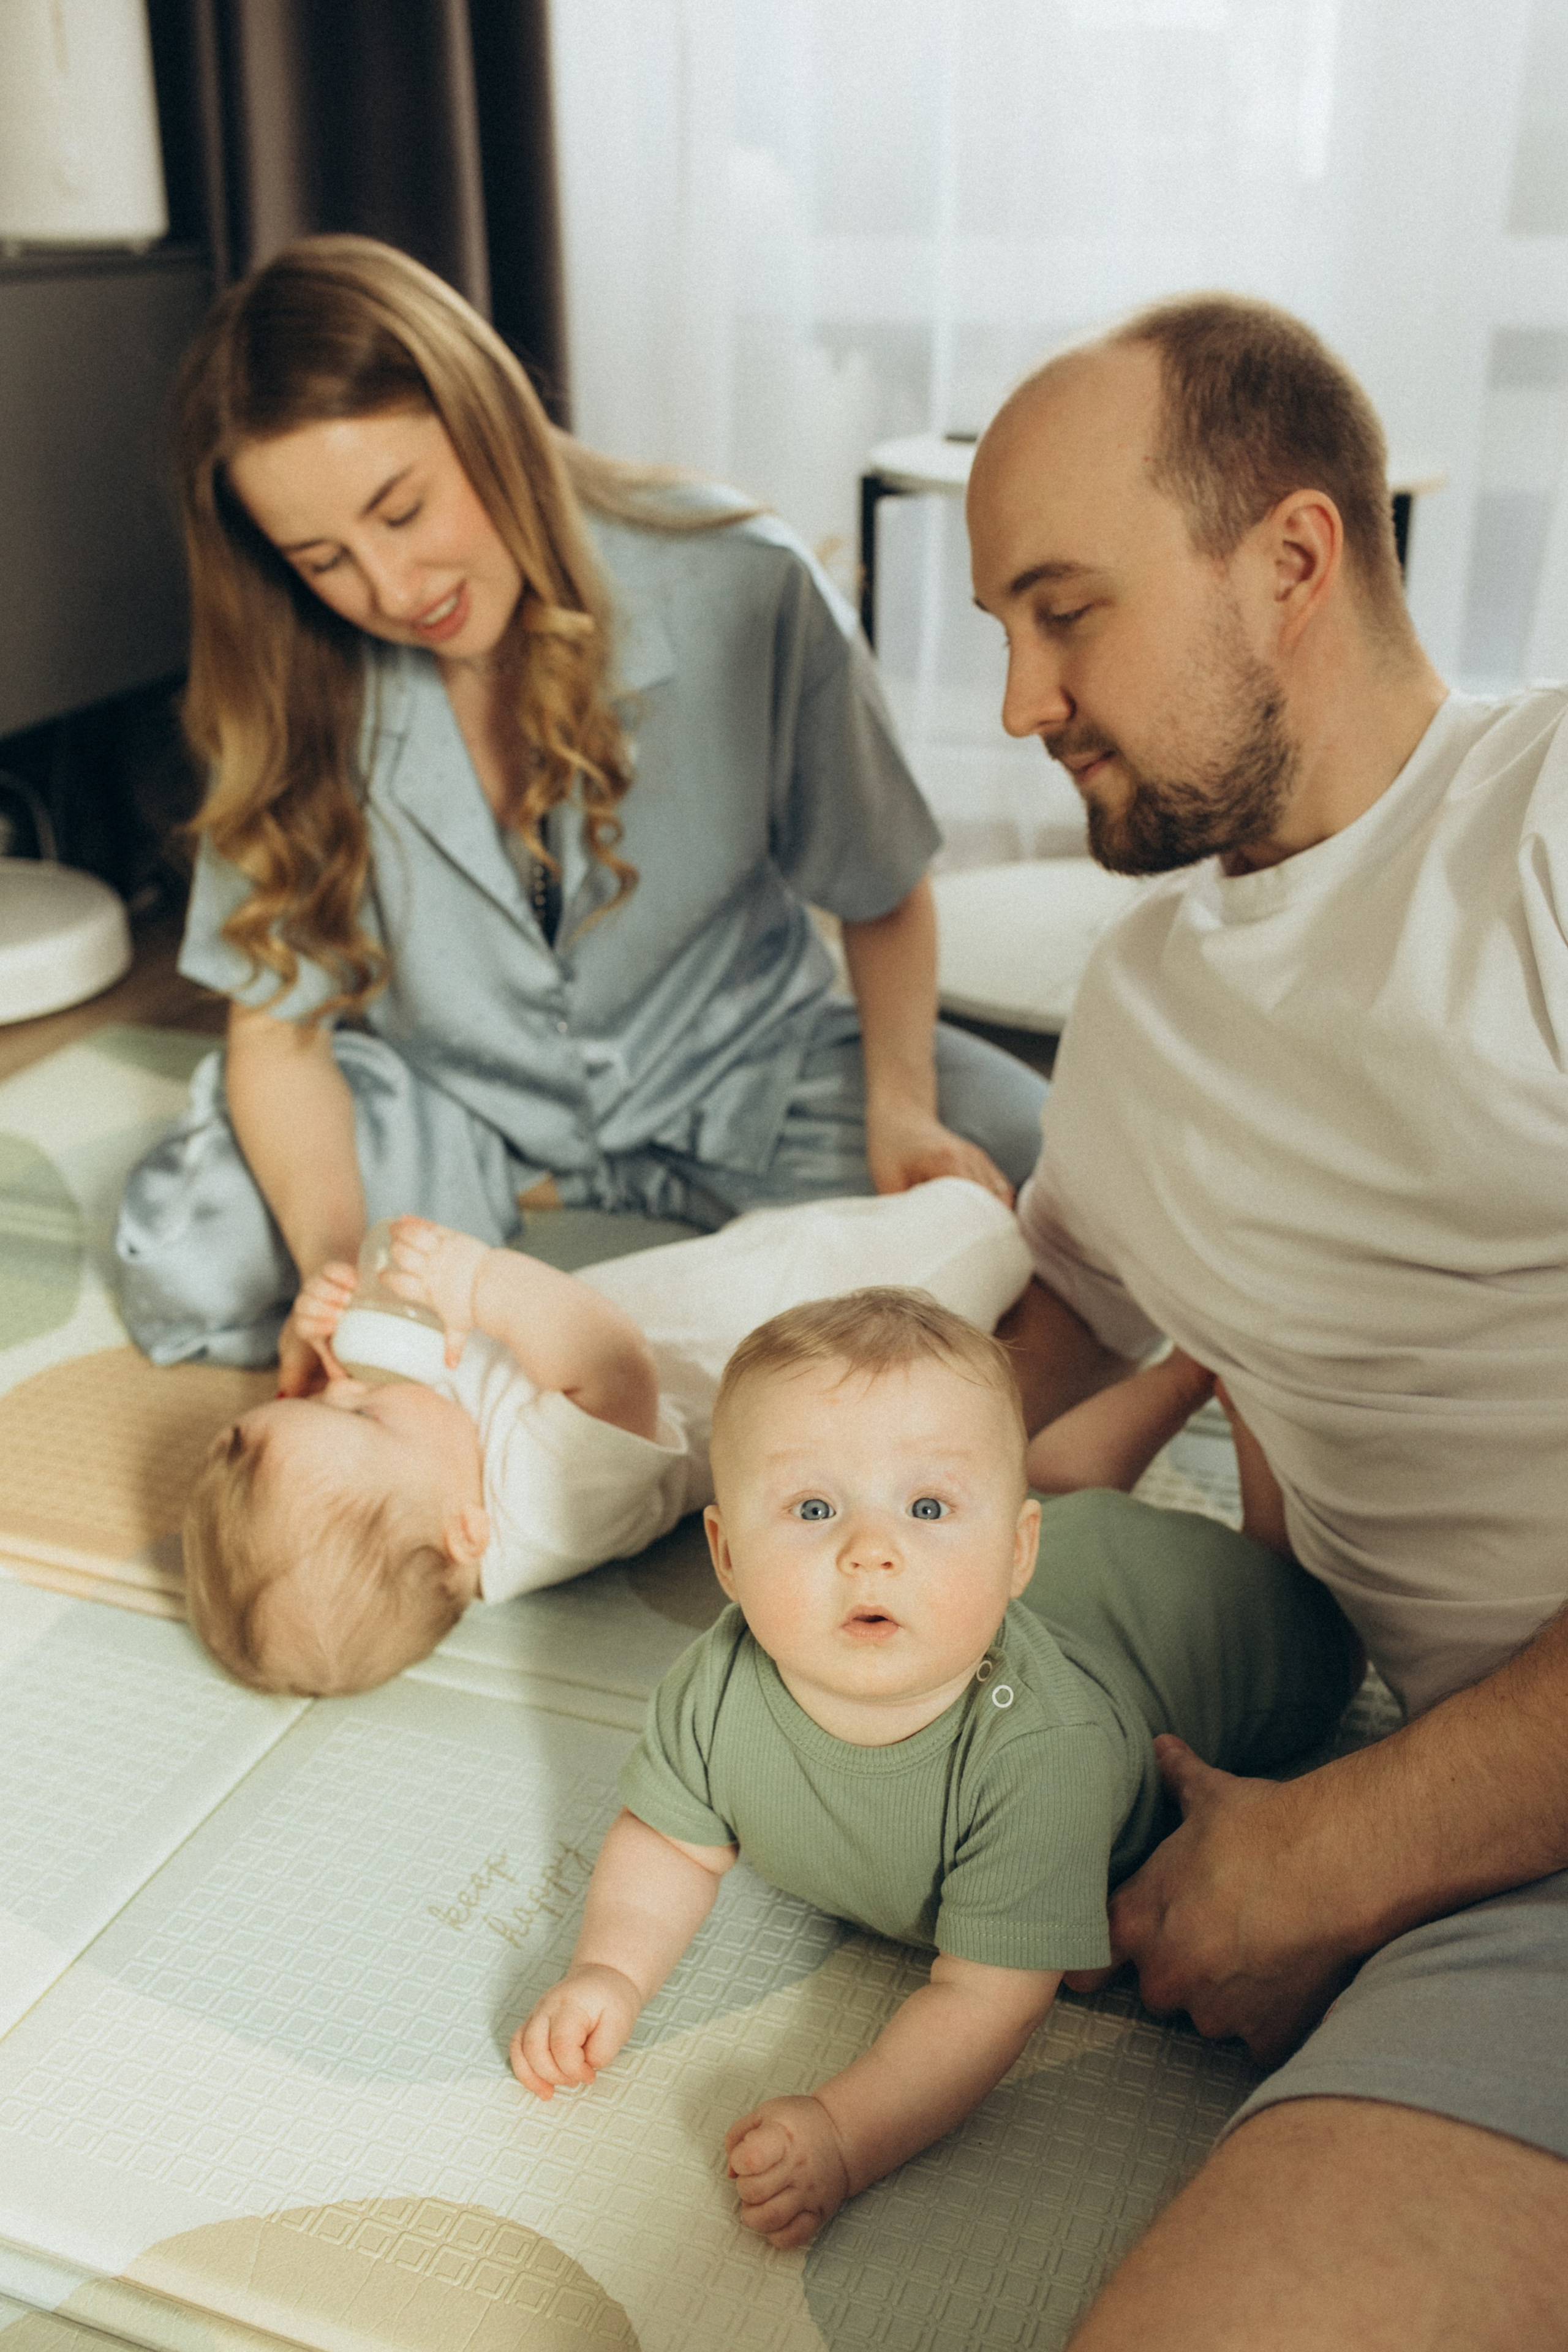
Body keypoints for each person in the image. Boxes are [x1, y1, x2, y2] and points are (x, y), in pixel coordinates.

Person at [966, 294, 1568, 2346]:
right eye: (1001, 633)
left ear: (1292, 562)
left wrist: (1335, 1859)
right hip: (1514, 1851)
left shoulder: (1550, 823)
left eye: (1063, 612)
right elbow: (1031, 1354)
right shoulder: (1139, 1013)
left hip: (1444, 1813)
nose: (1021, 699)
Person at [112, 235, 1047, 1381]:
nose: (392, 592)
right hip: (459, 1111)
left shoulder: (745, 583)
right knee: (187, 1251)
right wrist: (332, 1267)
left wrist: (900, 1112)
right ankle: (550, 1198)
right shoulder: (293, 676)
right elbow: (281, 1031)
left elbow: (883, 888)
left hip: (747, 1072)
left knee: (1038, 1181)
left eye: (402, 510)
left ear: (489, 420)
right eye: (324, 560)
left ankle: (587, 1212)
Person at [510, 1289, 1356, 2250]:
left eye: (924, 1506)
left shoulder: (1040, 1754)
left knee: (1296, 1594)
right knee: (1053, 1489)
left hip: (1205, 1618)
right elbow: (669, 1839)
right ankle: (1178, 1377)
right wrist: (609, 1972)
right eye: (815, 1506)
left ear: (1011, 1558)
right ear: (728, 1556)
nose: (872, 1551)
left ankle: (1220, 1385)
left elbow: (984, 1998)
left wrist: (844, 2133)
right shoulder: (718, 1680)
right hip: (1069, 1561)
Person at [184, 1177, 1035, 1694]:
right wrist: (477, 1281)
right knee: (955, 1245)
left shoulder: (437, 1474)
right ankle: (1014, 1230)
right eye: (361, 1413)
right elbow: (615, 1364)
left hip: (719, 1282)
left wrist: (324, 1328)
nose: (347, 1389)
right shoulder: (544, 1505)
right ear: (465, 1533)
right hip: (820, 1324)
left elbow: (363, 1401)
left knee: (802, 1228)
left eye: (321, 1399)